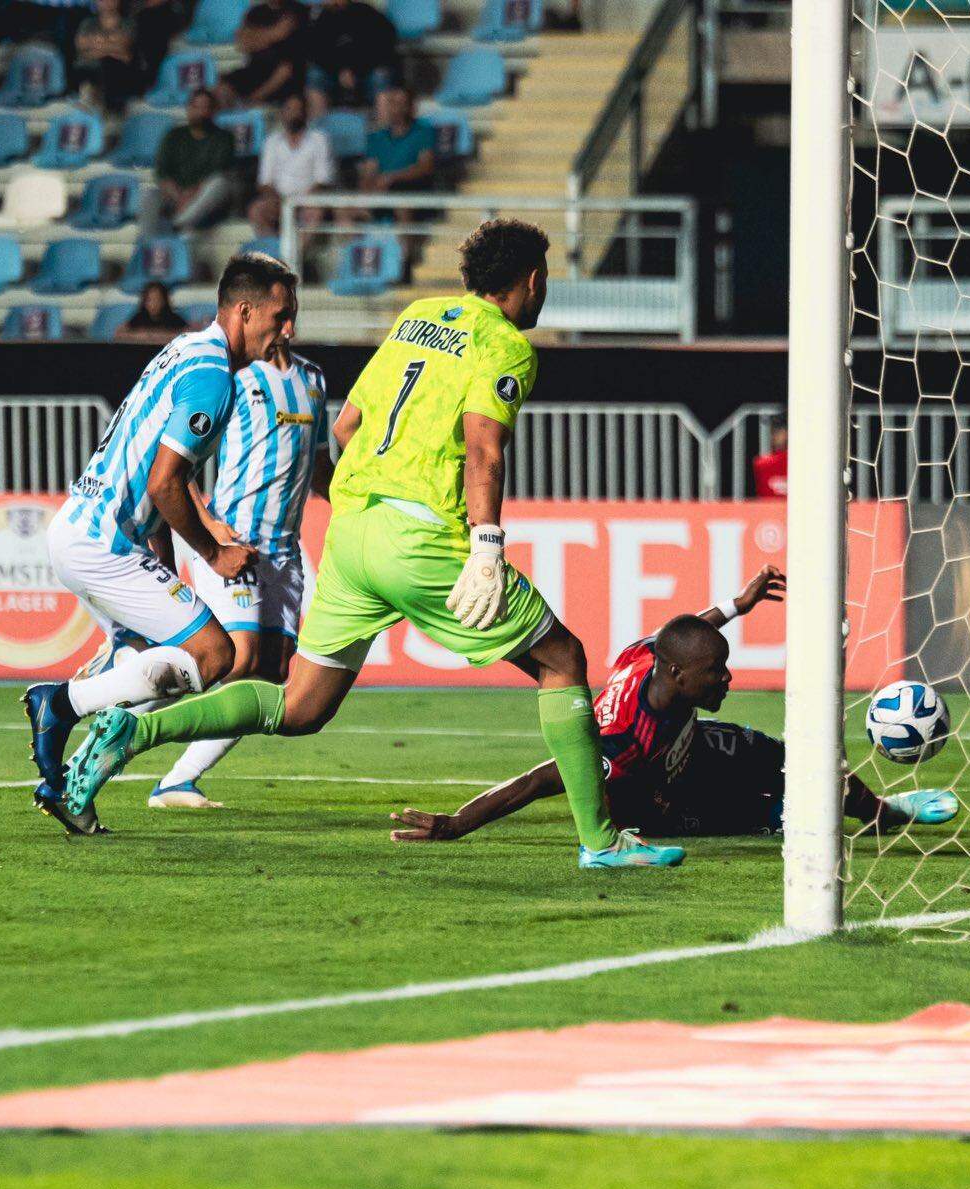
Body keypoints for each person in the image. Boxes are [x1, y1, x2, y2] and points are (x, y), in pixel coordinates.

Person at [60, 220, 685, 869]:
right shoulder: (505, 345)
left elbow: (350, 424)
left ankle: (135, 728)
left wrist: (381, 500)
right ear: (531, 280)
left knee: (299, 706)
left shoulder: (416, 316)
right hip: (420, 539)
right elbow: (483, 449)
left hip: (352, 529)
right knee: (562, 659)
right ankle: (601, 843)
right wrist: (485, 544)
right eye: (545, 279)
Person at [22, 252, 299, 834]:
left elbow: (159, 473)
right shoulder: (214, 378)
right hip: (106, 543)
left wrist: (168, 570)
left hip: (84, 527)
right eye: (280, 314)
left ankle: (72, 786)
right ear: (245, 311)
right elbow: (165, 483)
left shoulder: (184, 348)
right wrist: (214, 554)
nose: (287, 329)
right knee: (215, 656)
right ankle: (62, 704)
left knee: (152, 659)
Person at [391, 575, 960, 843]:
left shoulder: (653, 655)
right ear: (679, 677)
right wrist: (456, 825)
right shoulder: (621, 733)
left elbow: (691, 631)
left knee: (800, 758)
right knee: (767, 819)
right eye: (718, 672)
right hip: (658, 796)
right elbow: (540, 780)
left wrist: (735, 606)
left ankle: (883, 811)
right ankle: (776, 814)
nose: (728, 677)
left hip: (696, 744)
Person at [146, 285, 329, 808]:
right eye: (282, 317)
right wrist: (208, 526)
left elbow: (320, 471)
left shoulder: (313, 380)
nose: (288, 329)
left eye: (294, 317)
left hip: (285, 553)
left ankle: (176, 781)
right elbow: (181, 466)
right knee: (238, 659)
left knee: (272, 672)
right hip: (235, 541)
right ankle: (123, 713)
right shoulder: (235, 377)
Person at [143, 89, 239, 238]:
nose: (200, 112)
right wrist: (178, 196)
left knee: (220, 183)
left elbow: (216, 171)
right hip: (175, 196)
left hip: (203, 198)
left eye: (205, 107)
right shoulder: (174, 135)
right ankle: (146, 244)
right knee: (149, 194)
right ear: (188, 108)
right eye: (196, 107)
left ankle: (176, 224)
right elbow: (162, 173)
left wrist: (190, 196)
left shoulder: (224, 137)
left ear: (213, 111)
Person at [247, 91, 334, 236]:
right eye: (289, 109)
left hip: (308, 201)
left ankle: (295, 256)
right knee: (257, 209)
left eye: (298, 109)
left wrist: (299, 202)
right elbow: (264, 182)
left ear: (306, 113)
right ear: (282, 113)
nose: (294, 114)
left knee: (315, 212)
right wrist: (277, 200)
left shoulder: (319, 139)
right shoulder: (271, 141)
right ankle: (272, 255)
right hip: (278, 200)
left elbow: (323, 180)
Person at [303, 0, 395, 107]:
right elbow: (317, 53)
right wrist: (339, 70)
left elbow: (383, 45)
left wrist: (355, 70)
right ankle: (318, 122)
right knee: (314, 75)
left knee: (381, 77)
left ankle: (384, 122)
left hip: (366, 71)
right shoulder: (322, 18)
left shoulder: (366, 13)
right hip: (334, 74)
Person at [219, 0, 307, 108]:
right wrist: (273, 34)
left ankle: (252, 101)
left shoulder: (297, 11)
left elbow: (289, 62)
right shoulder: (255, 12)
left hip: (286, 71)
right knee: (222, 86)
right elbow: (242, 43)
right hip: (255, 68)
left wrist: (255, 36)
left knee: (284, 72)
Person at [359, 86, 436, 200]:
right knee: (343, 209)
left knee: (399, 194)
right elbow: (369, 171)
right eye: (391, 103)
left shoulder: (423, 130)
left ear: (409, 107)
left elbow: (425, 166)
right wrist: (367, 192)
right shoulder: (376, 137)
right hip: (379, 191)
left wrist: (392, 177)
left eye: (400, 103)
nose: (395, 108)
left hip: (410, 189)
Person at [73, 0, 142, 112]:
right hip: (89, 70)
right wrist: (111, 46)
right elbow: (81, 44)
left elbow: (123, 45)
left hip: (117, 71)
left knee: (110, 63)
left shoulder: (127, 23)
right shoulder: (87, 23)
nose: (105, 2)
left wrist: (96, 46)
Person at [115, 281, 187, 343]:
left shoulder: (173, 318)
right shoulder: (139, 317)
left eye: (157, 299)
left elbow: (188, 335)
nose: (153, 304)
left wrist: (160, 336)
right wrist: (141, 336)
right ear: (144, 301)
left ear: (164, 301)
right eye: (150, 300)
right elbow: (119, 333)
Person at [751, 416, 788, 498]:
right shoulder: (761, 463)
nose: (772, 436)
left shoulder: (804, 462)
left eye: (777, 431)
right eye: (772, 431)